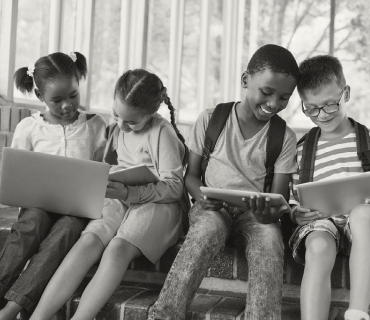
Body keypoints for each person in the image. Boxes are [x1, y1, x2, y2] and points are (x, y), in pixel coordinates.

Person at [150, 44, 300, 320]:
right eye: (267, 92)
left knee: (268, 238)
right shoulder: (212, 119)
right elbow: (191, 176)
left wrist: (266, 214)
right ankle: (165, 315)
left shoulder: (284, 137)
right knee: (208, 227)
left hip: (254, 217)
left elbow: (277, 201)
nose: (274, 104)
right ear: (246, 80)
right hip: (211, 209)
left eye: (284, 98)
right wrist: (202, 196)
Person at [30, 68, 190, 320]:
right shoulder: (117, 127)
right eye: (116, 114)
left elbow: (174, 187)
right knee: (89, 239)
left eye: (131, 121)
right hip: (125, 196)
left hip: (162, 202)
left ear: (152, 113)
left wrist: (128, 192)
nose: (121, 124)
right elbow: (110, 166)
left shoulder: (162, 133)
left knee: (117, 248)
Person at [0, 51, 107, 320]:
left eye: (73, 95)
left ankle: (13, 308)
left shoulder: (95, 126)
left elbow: (103, 170)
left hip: (75, 211)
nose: (67, 106)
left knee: (66, 231)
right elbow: (15, 174)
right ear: (40, 97)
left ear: (79, 83)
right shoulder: (29, 127)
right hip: (37, 206)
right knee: (31, 223)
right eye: (56, 100)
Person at [289, 55, 370, 320]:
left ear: (345, 93)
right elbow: (294, 200)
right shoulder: (302, 150)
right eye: (311, 109)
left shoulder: (367, 140)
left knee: (364, 214)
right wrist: (297, 213)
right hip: (322, 223)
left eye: (330, 105)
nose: (321, 115)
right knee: (319, 247)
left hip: (363, 223)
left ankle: (356, 314)